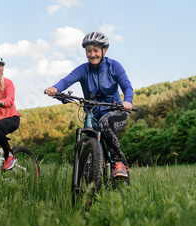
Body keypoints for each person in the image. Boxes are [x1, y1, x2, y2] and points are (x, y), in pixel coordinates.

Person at [45, 31, 134, 179]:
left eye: (96, 51)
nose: (92, 54)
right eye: (89, 51)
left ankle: (118, 162)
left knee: (105, 123)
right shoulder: (83, 69)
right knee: (89, 137)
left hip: (115, 112)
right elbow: (67, 80)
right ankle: (90, 183)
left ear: (104, 50)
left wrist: (128, 101)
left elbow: (127, 86)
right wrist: (55, 89)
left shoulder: (114, 66)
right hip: (92, 113)